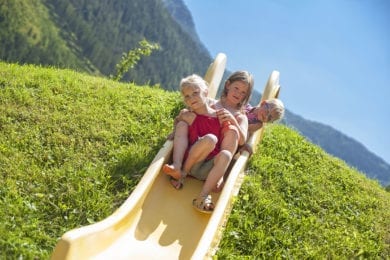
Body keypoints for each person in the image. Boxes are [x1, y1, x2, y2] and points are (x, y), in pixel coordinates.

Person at [163, 72, 253, 213]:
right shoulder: (210, 103)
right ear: (227, 85)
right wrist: (177, 129)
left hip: (214, 160)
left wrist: (232, 120)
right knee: (207, 136)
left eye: (243, 92)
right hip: (198, 150)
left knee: (232, 132)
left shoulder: (241, 116)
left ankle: (205, 193)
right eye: (236, 88)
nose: (238, 94)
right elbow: (187, 115)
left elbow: (242, 140)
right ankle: (181, 171)